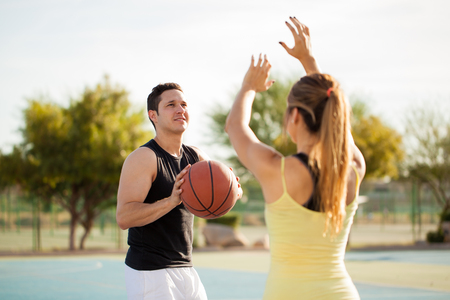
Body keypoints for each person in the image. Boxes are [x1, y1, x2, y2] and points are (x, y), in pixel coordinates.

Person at [225, 17, 365, 299]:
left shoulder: (277, 169)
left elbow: (235, 127)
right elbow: (335, 114)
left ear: (296, 116)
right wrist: (309, 61)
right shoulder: (353, 169)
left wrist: (248, 87)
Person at [116, 83, 209, 300]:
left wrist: (232, 191)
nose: (180, 109)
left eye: (183, 104)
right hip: (150, 272)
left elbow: (213, 201)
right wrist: (171, 201)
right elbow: (124, 217)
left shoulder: (197, 157)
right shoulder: (144, 158)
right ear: (153, 115)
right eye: (171, 105)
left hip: (186, 267)